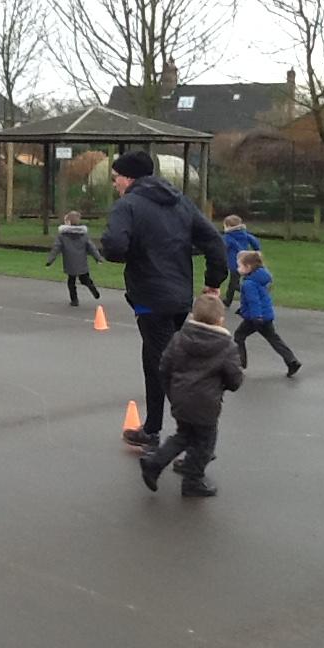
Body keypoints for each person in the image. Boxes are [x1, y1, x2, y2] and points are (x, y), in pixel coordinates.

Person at [100, 150, 228, 452]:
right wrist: (213, 280)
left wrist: (126, 253)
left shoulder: (128, 205)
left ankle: (194, 438)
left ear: (128, 178)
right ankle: (154, 428)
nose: (114, 184)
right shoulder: (179, 201)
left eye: (116, 178)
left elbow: (115, 245)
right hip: (180, 296)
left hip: (149, 296)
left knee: (162, 365)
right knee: (164, 361)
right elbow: (213, 240)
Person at [139, 295, 243, 497]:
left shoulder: (179, 338)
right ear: (220, 320)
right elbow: (234, 379)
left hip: (181, 398)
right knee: (205, 443)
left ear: (193, 316)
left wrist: (172, 389)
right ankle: (192, 480)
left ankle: (154, 463)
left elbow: (164, 366)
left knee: (183, 436)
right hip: (206, 403)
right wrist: (227, 385)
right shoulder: (226, 346)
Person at [233, 251, 302, 377]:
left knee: (239, 335)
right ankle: (292, 361)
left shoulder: (249, 283)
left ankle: (240, 363)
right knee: (273, 338)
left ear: (248, 267)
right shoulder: (261, 278)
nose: (238, 269)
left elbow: (254, 301)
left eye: (240, 266)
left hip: (255, 318)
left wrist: (256, 316)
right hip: (266, 316)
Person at [45, 210, 103, 306]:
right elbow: (91, 247)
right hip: (82, 262)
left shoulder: (62, 236)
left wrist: (50, 261)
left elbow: (56, 248)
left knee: (71, 282)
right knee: (85, 278)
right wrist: (98, 258)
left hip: (70, 263)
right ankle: (92, 288)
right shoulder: (83, 235)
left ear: (68, 221)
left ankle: (74, 300)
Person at [221, 214, 261, 307]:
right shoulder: (245, 234)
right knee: (234, 282)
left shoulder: (228, 237)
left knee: (234, 284)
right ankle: (228, 300)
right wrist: (256, 251)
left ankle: (252, 291)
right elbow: (255, 242)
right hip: (244, 261)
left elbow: (223, 247)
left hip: (234, 263)